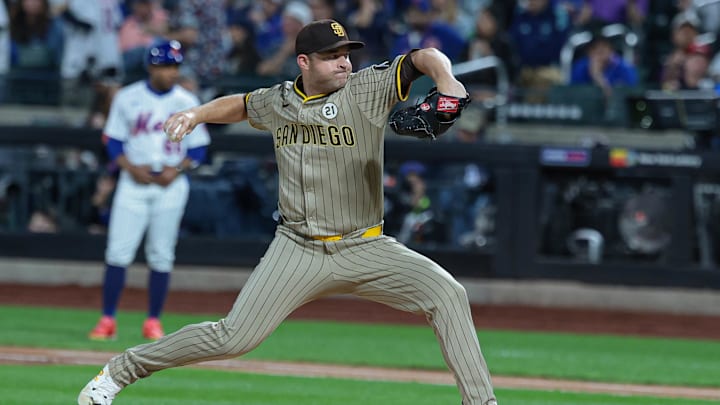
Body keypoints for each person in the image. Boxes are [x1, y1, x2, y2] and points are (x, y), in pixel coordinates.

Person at [77, 19, 497, 405]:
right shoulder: (280, 100)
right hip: (298, 248)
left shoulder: (367, 88)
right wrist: (196, 113)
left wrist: (449, 82)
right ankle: (119, 371)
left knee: (448, 295)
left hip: (366, 244)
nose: (344, 63)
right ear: (304, 62)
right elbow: (241, 104)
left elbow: (423, 57)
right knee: (233, 337)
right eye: (332, 56)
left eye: (346, 54)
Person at [86, 39, 210, 343]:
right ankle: (108, 319)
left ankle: (153, 320)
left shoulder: (186, 99)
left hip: (170, 184)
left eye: (175, 66)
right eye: (166, 66)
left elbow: (200, 148)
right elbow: (113, 140)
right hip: (134, 181)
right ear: (151, 66)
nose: (171, 72)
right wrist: (130, 168)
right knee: (117, 251)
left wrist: (177, 168)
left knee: (161, 255)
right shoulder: (128, 98)